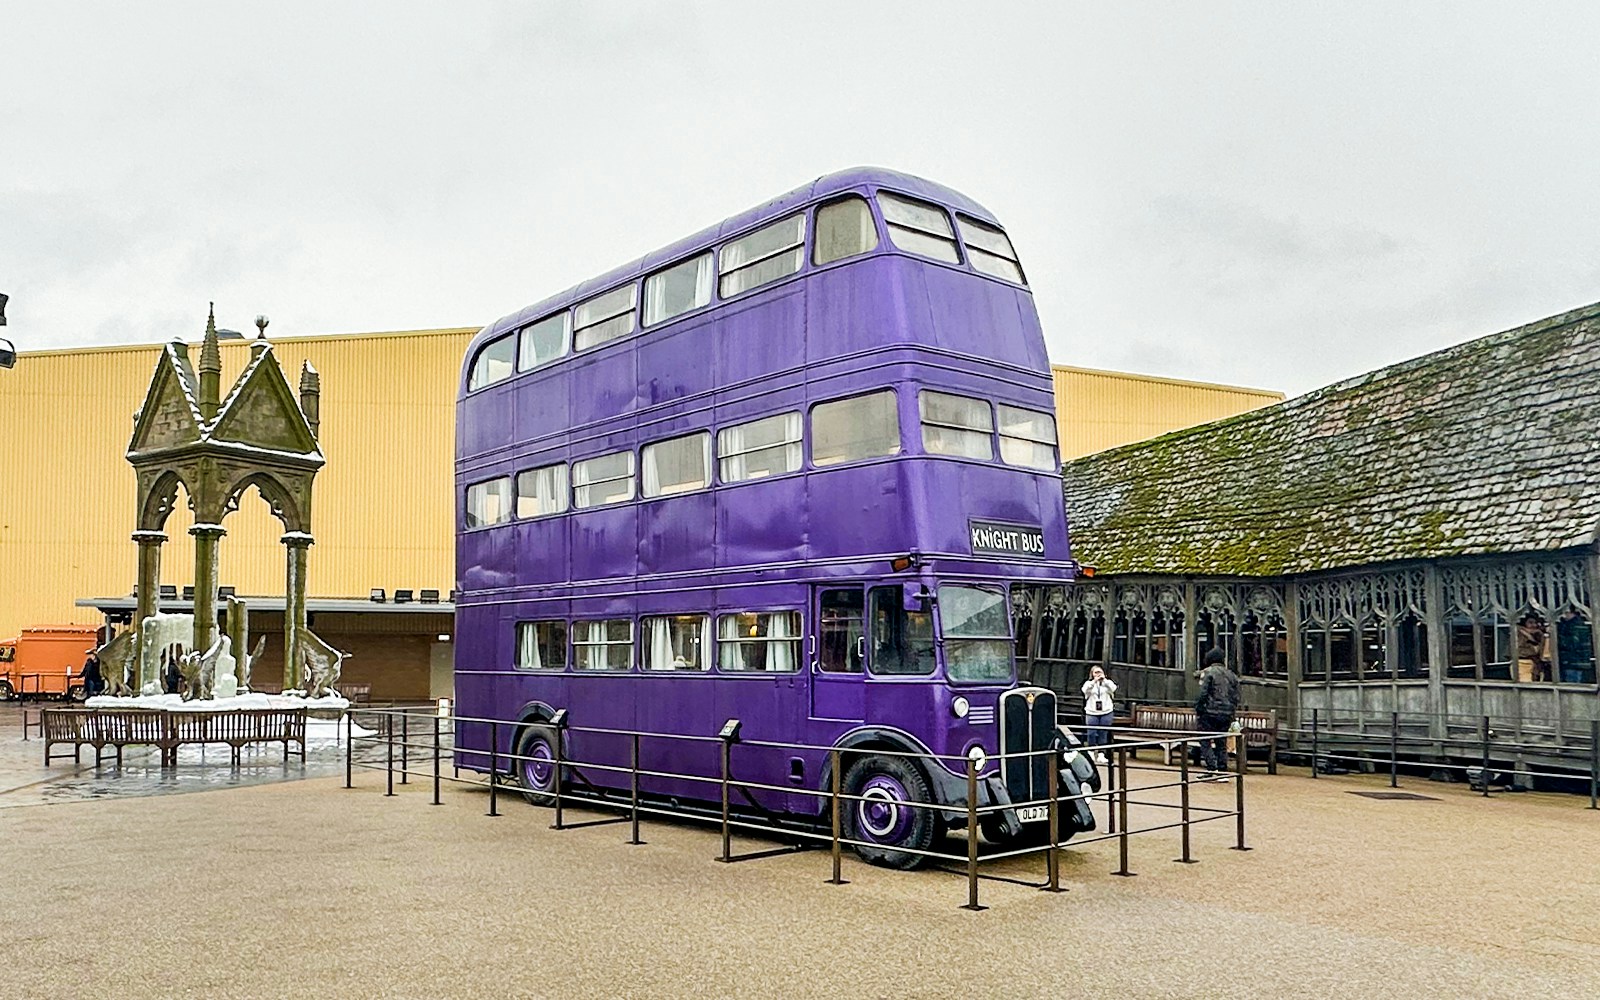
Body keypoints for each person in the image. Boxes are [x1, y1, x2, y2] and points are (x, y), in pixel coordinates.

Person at [1194, 647, 1240, 776]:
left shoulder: (1208, 673)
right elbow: (1236, 696)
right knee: (1221, 742)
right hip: (1226, 713)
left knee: (1204, 740)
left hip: (1209, 712)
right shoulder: (1232, 675)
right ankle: (1222, 770)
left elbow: (1203, 693)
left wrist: (1199, 708)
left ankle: (1212, 768)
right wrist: (1232, 711)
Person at [1080, 666, 1116, 763]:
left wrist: (1105, 681)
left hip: (1106, 711)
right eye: (1096, 672)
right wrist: (1094, 681)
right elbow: (1085, 690)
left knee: (1103, 733)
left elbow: (1113, 688)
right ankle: (1091, 752)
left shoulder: (1107, 683)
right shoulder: (1089, 683)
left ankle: (1101, 753)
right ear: (1092, 674)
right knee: (1091, 732)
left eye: (1100, 672)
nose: (1098, 674)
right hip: (1092, 712)